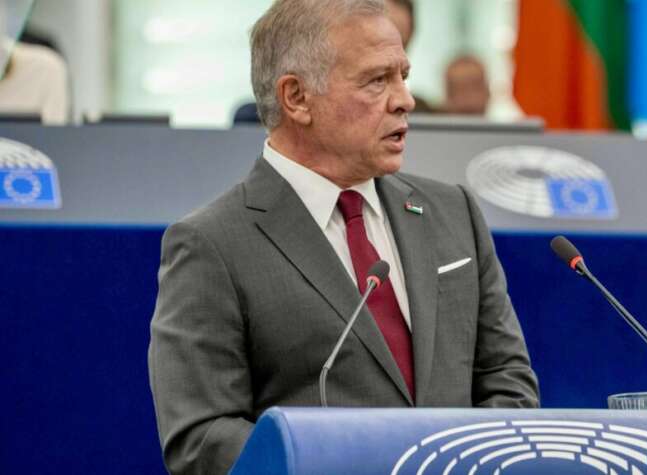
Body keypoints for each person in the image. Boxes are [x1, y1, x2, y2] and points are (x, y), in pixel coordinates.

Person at [148, 1, 539, 473]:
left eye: (403, 76)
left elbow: (507, 380)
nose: (405, 100)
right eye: (377, 80)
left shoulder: (452, 213)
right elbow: (202, 437)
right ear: (296, 98)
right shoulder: (212, 244)